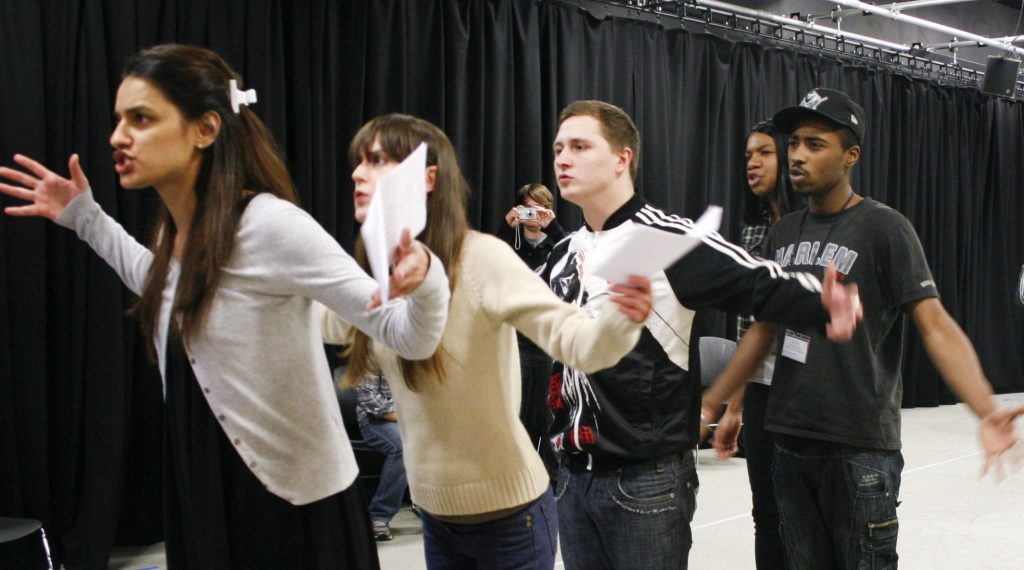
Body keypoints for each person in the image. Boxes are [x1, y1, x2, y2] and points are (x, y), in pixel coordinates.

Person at [0, 45, 452, 569]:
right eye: (119, 119)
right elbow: (164, 286)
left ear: (205, 129)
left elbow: (409, 336)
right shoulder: (179, 230)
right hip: (202, 481)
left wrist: (426, 279)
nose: (118, 137)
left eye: (141, 119)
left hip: (285, 502)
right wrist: (86, 217)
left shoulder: (270, 226)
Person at [703, 87, 1024, 569]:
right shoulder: (782, 233)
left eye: (815, 144)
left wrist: (984, 407)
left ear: (850, 155)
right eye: (793, 144)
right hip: (789, 442)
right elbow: (764, 330)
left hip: (859, 449)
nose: (797, 155)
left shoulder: (885, 229)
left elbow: (934, 324)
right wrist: (721, 401)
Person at [320, 113, 654, 569]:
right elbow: (325, 321)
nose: (358, 173)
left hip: (510, 519)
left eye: (377, 160)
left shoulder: (482, 259)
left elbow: (581, 344)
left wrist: (622, 314)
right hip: (437, 517)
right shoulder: (380, 273)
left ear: (427, 177)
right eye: (358, 161)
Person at [540, 100, 862, 570]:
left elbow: (759, 280)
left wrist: (826, 302)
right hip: (570, 478)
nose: (563, 159)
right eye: (558, 148)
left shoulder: (668, 239)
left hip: (643, 482)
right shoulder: (565, 252)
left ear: (622, 158)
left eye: (580, 146)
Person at [706, 119, 803, 570]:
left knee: (809, 515)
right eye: (747, 155)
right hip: (763, 389)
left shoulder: (819, 225)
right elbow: (751, 328)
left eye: (764, 152)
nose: (753, 162)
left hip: (811, 393)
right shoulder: (751, 233)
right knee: (766, 513)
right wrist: (736, 408)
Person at [503, 183, 566, 478]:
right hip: (513, 340)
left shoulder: (557, 245)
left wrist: (552, 227)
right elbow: (491, 267)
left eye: (538, 207)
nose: (532, 215)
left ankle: (551, 478)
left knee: (547, 415)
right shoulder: (511, 244)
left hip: (547, 342)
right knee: (513, 412)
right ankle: (516, 475)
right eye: (527, 207)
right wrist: (509, 228)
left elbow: (577, 258)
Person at [354, 371, 407, 542]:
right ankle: (379, 517)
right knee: (402, 447)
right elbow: (369, 399)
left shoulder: (421, 349)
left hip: (413, 414)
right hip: (376, 419)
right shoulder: (373, 350)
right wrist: (406, 418)